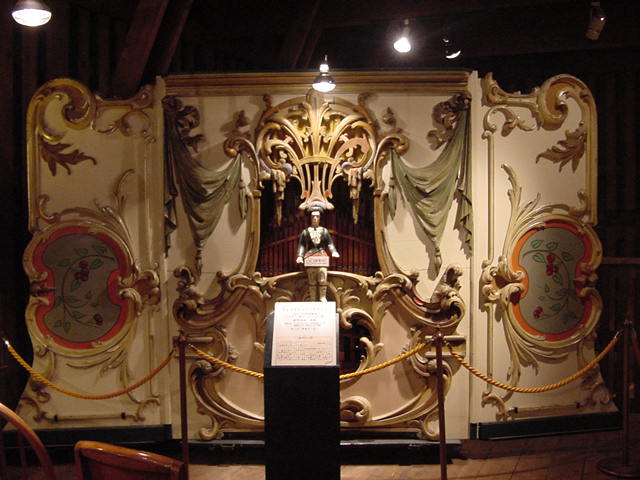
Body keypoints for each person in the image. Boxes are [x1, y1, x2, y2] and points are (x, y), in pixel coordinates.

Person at [296, 209, 339, 301]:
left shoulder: (324, 231)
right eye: (313, 216)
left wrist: (333, 252)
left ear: (320, 218)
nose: (315, 218)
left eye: (317, 216)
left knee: (322, 278)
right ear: (310, 218)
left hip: (322, 255)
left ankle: (322, 297)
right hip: (310, 256)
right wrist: (300, 256)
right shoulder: (305, 232)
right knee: (312, 280)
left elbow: (330, 243)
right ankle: (313, 298)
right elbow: (301, 245)